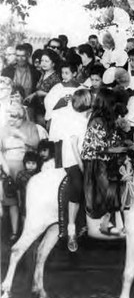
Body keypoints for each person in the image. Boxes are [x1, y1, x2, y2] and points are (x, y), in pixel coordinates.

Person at [50, 89, 93, 252]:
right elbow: (75, 147)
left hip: (86, 158)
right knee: (78, 184)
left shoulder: (87, 116)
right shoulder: (73, 119)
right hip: (73, 159)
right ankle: (71, 230)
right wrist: (83, 167)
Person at [81, 89, 128, 235]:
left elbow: (113, 141)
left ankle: (112, 219)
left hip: (107, 159)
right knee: (108, 183)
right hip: (95, 160)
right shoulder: (96, 121)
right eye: (113, 104)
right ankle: (108, 219)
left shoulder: (110, 120)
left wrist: (125, 144)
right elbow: (101, 148)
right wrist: (120, 149)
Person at [0, 103, 40, 241]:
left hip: (25, 167)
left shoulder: (30, 126)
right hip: (8, 166)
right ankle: (15, 231)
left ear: (20, 116)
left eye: (13, 117)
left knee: (26, 200)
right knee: (11, 201)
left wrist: (21, 135)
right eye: (8, 116)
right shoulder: (4, 128)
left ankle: (28, 230)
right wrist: (4, 166)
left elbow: (36, 144)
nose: (10, 119)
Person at [24, 49, 61, 126]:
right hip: (38, 109)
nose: (43, 63)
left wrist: (41, 93)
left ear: (53, 63)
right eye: (42, 61)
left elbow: (57, 97)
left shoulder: (56, 78)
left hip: (46, 112)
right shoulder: (43, 74)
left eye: (46, 61)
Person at [15, 151, 40, 226]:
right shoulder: (20, 174)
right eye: (28, 163)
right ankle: (24, 231)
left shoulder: (39, 174)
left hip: (35, 200)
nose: (31, 166)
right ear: (25, 163)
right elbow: (18, 188)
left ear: (37, 164)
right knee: (24, 215)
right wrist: (19, 200)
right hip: (24, 199)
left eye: (33, 163)